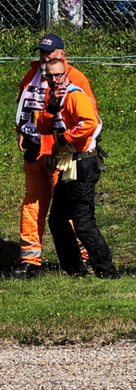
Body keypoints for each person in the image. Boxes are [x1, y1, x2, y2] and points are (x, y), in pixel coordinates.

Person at [12, 34, 97, 278]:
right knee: (32, 204)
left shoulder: (76, 78)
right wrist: (21, 131)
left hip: (61, 154)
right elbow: (24, 106)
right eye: (42, 52)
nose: (45, 57)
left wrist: (57, 147)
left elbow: (86, 120)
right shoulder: (31, 74)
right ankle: (30, 260)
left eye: (50, 53)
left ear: (62, 53)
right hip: (34, 150)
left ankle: (80, 256)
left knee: (65, 207)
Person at [35, 56, 116, 278]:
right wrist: (51, 108)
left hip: (83, 163)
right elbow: (42, 127)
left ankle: (106, 271)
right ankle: (74, 270)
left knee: (83, 222)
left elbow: (89, 122)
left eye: (58, 75)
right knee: (58, 219)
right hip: (69, 163)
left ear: (66, 75)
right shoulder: (53, 97)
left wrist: (65, 138)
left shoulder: (74, 95)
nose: (54, 80)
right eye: (49, 76)